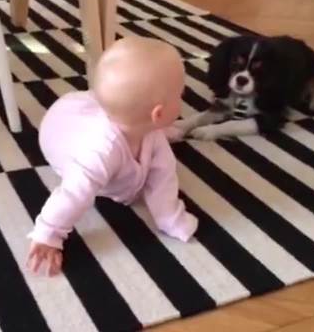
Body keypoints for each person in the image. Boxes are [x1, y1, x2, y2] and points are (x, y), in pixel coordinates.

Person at [27, 36, 198, 276]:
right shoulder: (100, 151)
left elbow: (163, 176)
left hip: (98, 108)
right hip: (62, 125)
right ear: (158, 114)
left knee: (131, 112)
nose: (182, 100)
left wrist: (171, 217)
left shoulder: (153, 134)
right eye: (179, 95)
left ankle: (119, 105)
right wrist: (48, 235)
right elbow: (73, 193)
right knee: (98, 157)